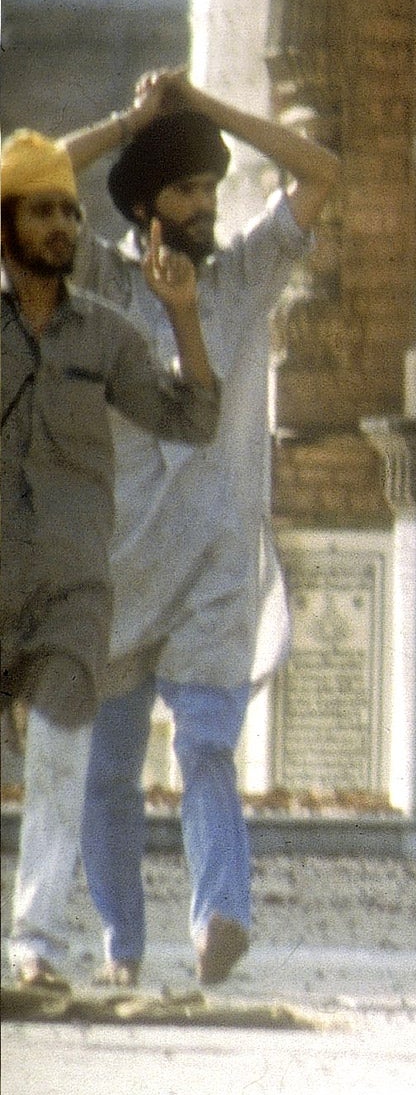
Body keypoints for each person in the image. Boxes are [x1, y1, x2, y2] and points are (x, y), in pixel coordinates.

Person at [52, 72, 339, 987]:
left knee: (208, 743)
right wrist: (124, 123)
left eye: (212, 188)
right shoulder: (94, 275)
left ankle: (222, 914)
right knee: (108, 778)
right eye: (185, 189)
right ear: (145, 207)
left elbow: (323, 172)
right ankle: (124, 950)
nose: (206, 205)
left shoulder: (245, 272)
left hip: (218, 556)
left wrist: (214, 113)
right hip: (120, 562)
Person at [2, 132, 220, 987]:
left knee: (60, 762)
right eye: (40, 209)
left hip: (72, 594)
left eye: (68, 210)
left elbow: (192, 420)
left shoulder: (110, 336)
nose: (59, 225)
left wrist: (186, 317)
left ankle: (36, 947)